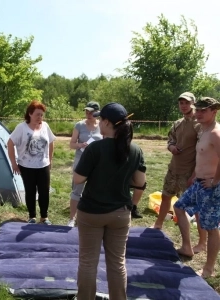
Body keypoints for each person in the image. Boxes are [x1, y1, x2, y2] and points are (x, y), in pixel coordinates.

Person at [73, 102, 146, 300]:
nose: (97, 122)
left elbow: (78, 179)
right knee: (117, 263)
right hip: (121, 213)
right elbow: (140, 182)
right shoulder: (135, 150)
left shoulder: (95, 149)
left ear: (106, 122)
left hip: (91, 213)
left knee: (88, 262)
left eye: (100, 119)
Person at [152, 92, 207, 253]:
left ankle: (202, 242)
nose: (183, 105)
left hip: (189, 173)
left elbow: (202, 152)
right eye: (181, 103)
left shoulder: (199, 125)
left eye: (186, 103)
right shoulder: (177, 123)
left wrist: (195, 175)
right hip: (174, 169)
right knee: (166, 196)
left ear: (193, 104)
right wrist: (172, 147)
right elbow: (170, 140)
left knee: (195, 208)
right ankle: (158, 224)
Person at [174, 97, 220, 279]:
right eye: (197, 110)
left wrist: (215, 182)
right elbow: (203, 157)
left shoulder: (216, 133)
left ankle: (208, 269)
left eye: (203, 110)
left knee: (211, 227)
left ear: (214, 112)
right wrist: (194, 175)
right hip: (198, 182)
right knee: (178, 207)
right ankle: (187, 246)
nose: (198, 113)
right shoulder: (203, 130)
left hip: (210, 186)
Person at [8, 100, 56, 225]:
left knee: (44, 191)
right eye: (37, 114)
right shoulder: (21, 128)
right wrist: (13, 163)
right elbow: (10, 143)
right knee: (30, 191)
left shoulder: (45, 126)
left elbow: (51, 142)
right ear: (30, 114)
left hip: (43, 165)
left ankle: (44, 217)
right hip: (26, 166)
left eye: (41, 115)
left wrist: (50, 160)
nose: (40, 117)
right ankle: (32, 217)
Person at [67, 101, 103, 227]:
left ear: (97, 113)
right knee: (77, 190)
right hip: (81, 161)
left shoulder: (103, 125)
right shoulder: (79, 125)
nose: (88, 114)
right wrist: (80, 145)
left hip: (97, 162)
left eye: (91, 112)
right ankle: (72, 218)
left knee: (96, 190)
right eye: (86, 111)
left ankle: (92, 218)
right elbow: (71, 144)